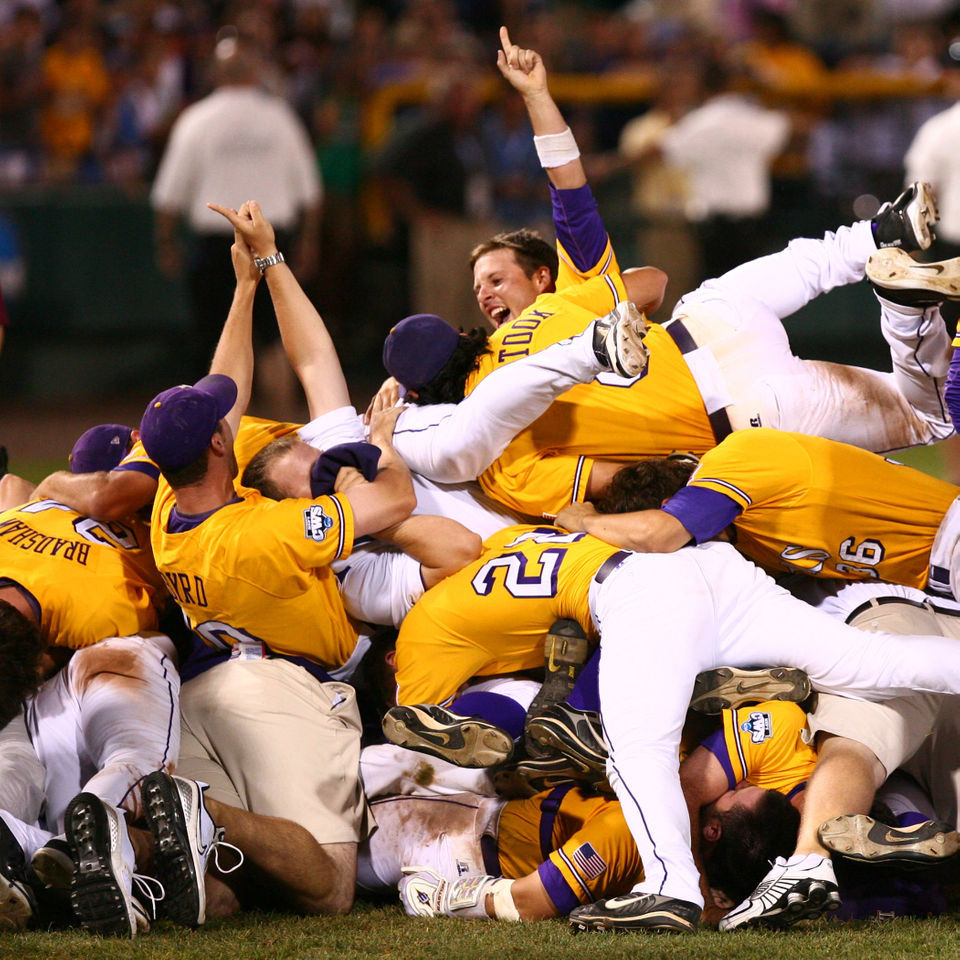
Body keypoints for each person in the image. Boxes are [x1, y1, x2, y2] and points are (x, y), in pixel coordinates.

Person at [379, 28, 952, 519]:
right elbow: (574, 199)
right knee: (812, 261)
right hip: (706, 322)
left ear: (541, 277)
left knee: (926, 419)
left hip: (737, 408)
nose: (485, 294)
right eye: (479, 289)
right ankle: (879, 234)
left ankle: (905, 309)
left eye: (496, 280)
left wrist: (398, 409)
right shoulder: (564, 305)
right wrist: (537, 96)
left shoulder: (495, 445)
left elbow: (621, 484)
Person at [141, 199, 415, 918]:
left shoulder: (170, 511)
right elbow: (393, 507)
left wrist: (244, 287)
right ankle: (202, 812)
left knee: (228, 898)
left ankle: (143, 845)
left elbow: (224, 392)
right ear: (219, 450)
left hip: (203, 694)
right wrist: (383, 440)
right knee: (328, 885)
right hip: (279, 692)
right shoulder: (269, 532)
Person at [151, 36, 321, 415]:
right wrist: (310, 241)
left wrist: (165, 242)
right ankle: (285, 430)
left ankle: (210, 436)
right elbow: (310, 193)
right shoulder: (279, 116)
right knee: (277, 339)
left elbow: (168, 196)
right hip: (272, 240)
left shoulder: (197, 118)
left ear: (215, 72)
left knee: (220, 338)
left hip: (218, 246)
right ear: (256, 70)